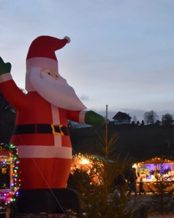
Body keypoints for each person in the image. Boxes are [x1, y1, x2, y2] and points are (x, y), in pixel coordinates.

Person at [0, 36, 104, 213]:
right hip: (34, 145)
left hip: (62, 146)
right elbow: (13, 95)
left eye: (55, 74)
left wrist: (87, 116)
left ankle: (59, 208)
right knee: (35, 187)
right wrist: (4, 75)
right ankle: (33, 209)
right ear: (33, 75)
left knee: (59, 184)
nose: (54, 78)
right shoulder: (29, 100)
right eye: (49, 74)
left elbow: (73, 112)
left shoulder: (61, 101)